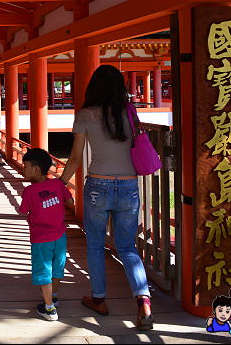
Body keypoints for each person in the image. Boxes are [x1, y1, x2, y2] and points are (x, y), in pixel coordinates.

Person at [57, 64, 153, 331]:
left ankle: (98, 299)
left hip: (98, 185)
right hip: (128, 186)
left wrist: (61, 183)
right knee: (128, 247)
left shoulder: (85, 115)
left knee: (95, 245)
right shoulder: (130, 114)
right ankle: (143, 299)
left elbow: (75, 157)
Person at [17, 148, 74, 321]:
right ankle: (53, 297)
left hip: (41, 239)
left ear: (36, 169)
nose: (22, 168)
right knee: (57, 268)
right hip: (60, 235)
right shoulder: (57, 184)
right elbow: (70, 201)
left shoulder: (29, 192)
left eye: (25, 166)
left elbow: (23, 211)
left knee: (43, 271)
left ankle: (49, 309)